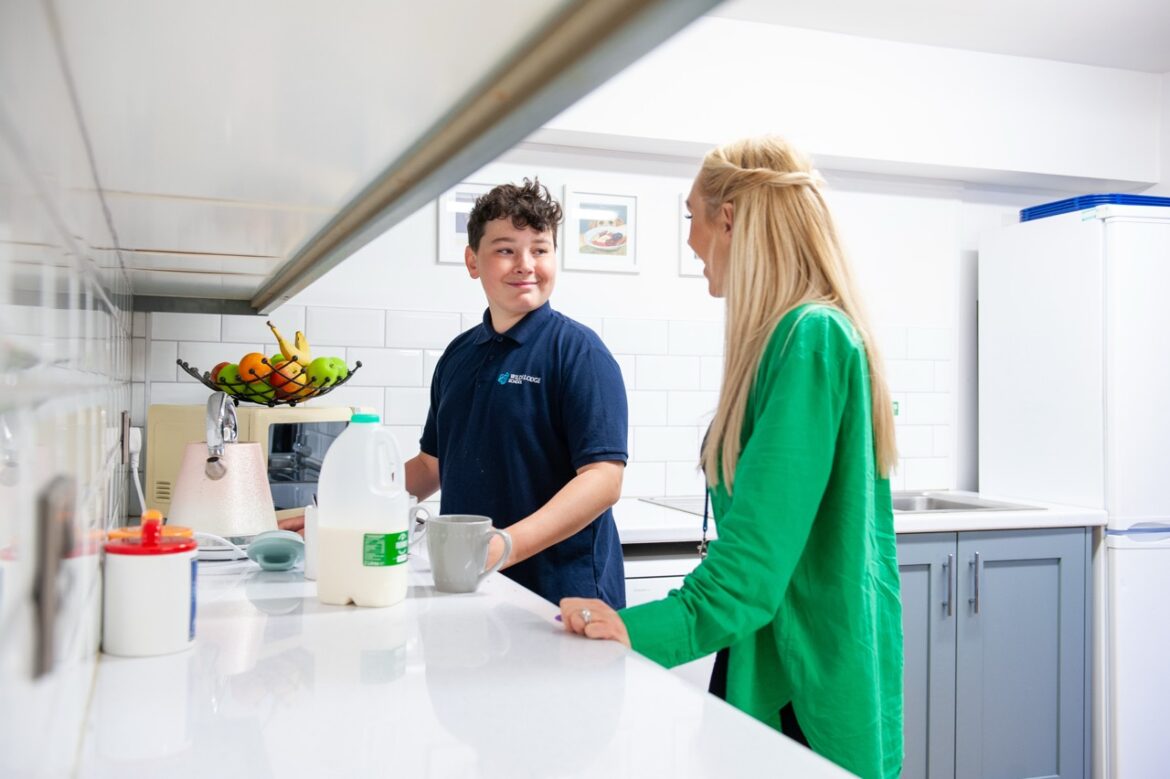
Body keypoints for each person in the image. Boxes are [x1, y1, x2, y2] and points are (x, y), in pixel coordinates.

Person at [559, 137, 903, 779]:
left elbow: (750, 574)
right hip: (773, 658)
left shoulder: (811, 339)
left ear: (730, 217)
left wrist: (633, 632)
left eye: (691, 215)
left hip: (803, 680)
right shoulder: (791, 338)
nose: (690, 240)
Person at [404, 178, 629, 609]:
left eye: (540, 250)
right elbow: (432, 465)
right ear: (473, 261)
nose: (526, 264)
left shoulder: (579, 353)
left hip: (562, 598)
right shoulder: (459, 354)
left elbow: (603, 480)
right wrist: (353, 507)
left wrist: (502, 547)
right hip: (474, 589)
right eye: (506, 250)